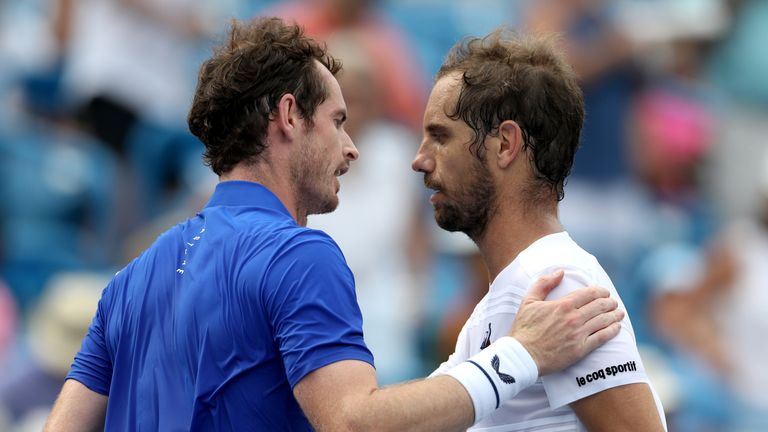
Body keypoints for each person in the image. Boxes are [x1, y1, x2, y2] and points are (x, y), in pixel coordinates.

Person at [44, 18, 624, 431]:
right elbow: (352, 422)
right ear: (289, 116)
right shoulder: (299, 256)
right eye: (338, 121)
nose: (351, 148)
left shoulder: (127, 281)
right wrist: (520, 355)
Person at [414, 30, 668, 431]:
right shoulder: (509, 293)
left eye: (440, 137)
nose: (420, 160)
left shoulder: (558, 284)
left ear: (505, 145)